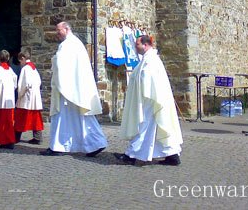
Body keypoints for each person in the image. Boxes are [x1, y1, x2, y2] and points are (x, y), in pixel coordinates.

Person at [41, 21, 108, 157]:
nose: (57, 33)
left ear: (66, 29)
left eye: (58, 30)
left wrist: (54, 60)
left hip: (68, 88)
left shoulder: (68, 45)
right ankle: (93, 144)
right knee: (79, 118)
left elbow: (61, 64)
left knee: (70, 117)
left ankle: (61, 146)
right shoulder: (75, 43)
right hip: (74, 87)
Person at [115, 35, 183, 166]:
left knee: (144, 126)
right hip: (153, 99)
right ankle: (172, 155)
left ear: (145, 45)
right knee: (158, 128)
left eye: (137, 45)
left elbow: (147, 79)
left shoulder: (151, 60)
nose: (136, 48)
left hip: (150, 100)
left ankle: (131, 155)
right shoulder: (148, 59)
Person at [14, 50, 44, 144]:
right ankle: (37, 137)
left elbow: (23, 84)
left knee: (20, 117)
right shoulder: (33, 68)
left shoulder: (25, 69)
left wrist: (19, 94)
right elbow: (39, 82)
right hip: (35, 96)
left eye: (20, 61)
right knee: (35, 118)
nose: (20, 63)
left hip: (26, 97)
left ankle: (15, 137)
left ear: (22, 58)